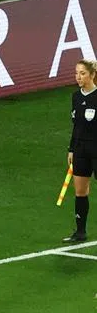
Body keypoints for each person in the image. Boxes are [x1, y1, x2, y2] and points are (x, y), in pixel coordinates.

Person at [65, 60, 97, 244]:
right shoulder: (76, 97)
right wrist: (71, 149)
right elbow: (76, 126)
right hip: (80, 150)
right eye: (76, 73)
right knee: (80, 191)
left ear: (92, 75)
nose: (78, 77)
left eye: (83, 73)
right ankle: (80, 231)